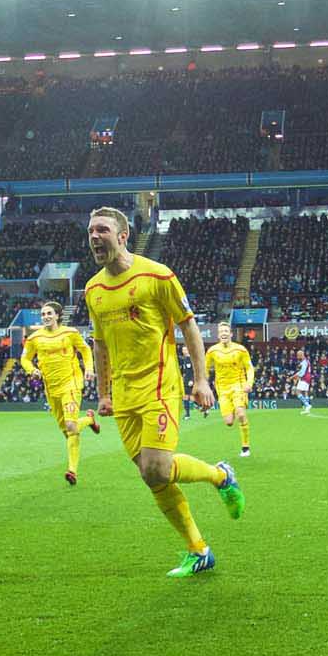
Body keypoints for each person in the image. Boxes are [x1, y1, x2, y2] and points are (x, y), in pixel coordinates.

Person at [84, 205, 243, 578]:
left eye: (102, 230)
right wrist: (103, 392)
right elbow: (100, 343)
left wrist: (202, 380)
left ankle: (220, 476)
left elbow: (188, 327)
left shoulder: (158, 276)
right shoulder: (93, 290)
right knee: (151, 475)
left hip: (159, 385)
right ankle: (199, 547)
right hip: (123, 394)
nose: (94, 237)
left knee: (156, 467)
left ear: (123, 236)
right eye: (90, 231)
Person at [20, 300, 102, 484]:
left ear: (57, 315)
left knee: (71, 427)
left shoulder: (70, 333)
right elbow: (24, 359)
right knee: (67, 431)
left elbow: (85, 349)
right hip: (51, 389)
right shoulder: (34, 338)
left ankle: (72, 470)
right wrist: (31, 370)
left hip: (71, 384)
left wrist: (89, 368)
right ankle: (89, 420)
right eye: (43, 314)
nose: (46, 317)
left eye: (49, 313)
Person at [205, 322, 254, 458]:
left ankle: (245, 447)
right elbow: (206, 369)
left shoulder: (241, 350)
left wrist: (249, 383)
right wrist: (204, 385)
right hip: (222, 389)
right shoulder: (212, 351)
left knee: (241, 414)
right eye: (222, 331)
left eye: (226, 331)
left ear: (231, 334)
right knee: (229, 422)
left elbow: (249, 367)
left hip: (238, 385)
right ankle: (234, 407)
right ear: (218, 335)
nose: (224, 333)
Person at [294, 348, 314, 415]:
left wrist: (296, 377)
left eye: (298, 355)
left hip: (304, 377)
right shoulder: (306, 361)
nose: (297, 356)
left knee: (297, 391)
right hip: (308, 377)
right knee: (305, 392)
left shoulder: (304, 362)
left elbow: (302, 372)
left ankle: (307, 405)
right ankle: (307, 410)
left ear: (301, 355)